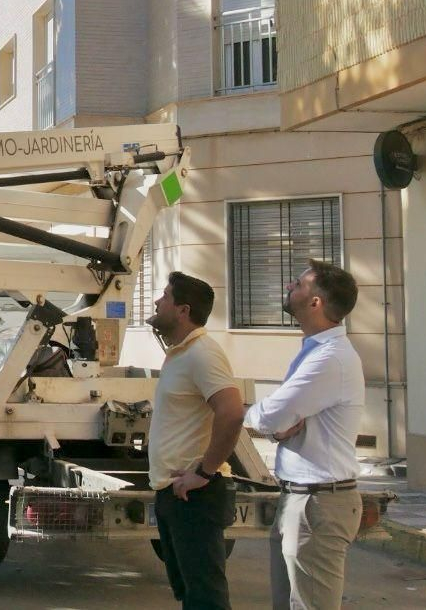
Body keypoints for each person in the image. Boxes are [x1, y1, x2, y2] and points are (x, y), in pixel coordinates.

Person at [243, 260, 365, 610]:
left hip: (318, 503)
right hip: (300, 498)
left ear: (316, 303)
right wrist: (278, 425)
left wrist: (247, 413)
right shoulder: (315, 350)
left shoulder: (330, 358)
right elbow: (283, 420)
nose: (288, 286)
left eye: (298, 284)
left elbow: (273, 415)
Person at [146, 271, 246, 610]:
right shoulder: (179, 353)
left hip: (196, 496)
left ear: (182, 310)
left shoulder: (203, 352)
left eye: (165, 296)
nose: (157, 302)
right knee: (190, 594)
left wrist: (203, 472)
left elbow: (231, 412)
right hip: (173, 493)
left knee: (206, 598)